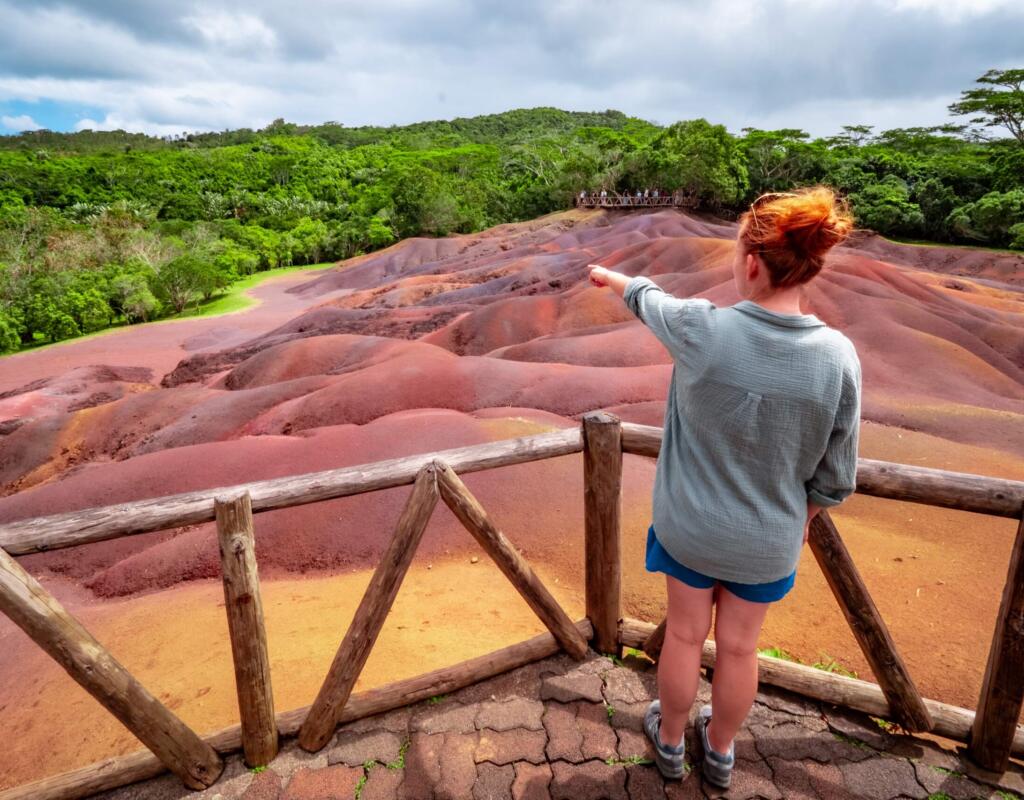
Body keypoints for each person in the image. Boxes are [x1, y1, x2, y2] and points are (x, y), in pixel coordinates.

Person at [586, 186, 860, 788]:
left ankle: (669, 742)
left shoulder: (701, 328)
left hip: (690, 527)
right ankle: (721, 752)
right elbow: (838, 474)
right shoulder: (838, 357)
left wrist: (610, 277)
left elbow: (648, 299)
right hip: (767, 541)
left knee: (685, 636)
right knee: (739, 649)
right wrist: (801, 519)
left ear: (753, 263)